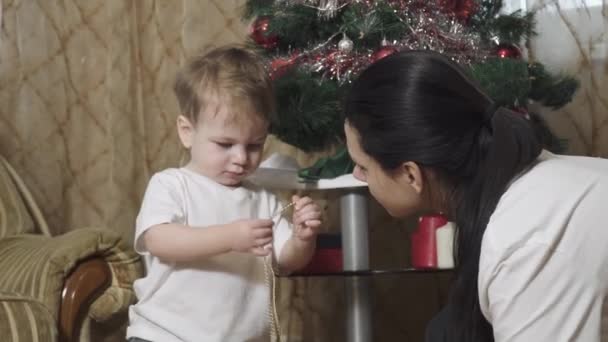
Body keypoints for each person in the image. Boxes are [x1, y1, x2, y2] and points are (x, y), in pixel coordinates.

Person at [343, 50, 608, 341]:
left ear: (410, 175)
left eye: (363, 166)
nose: (357, 175)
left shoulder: (527, 241)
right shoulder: (530, 186)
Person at [127, 45, 322, 342]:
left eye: (254, 145)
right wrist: (229, 238)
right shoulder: (172, 185)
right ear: (187, 131)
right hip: (164, 335)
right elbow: (158, 240)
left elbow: (286, 261)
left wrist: (301, 238)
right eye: (225, 144)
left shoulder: (264, 199)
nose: (241, 158)